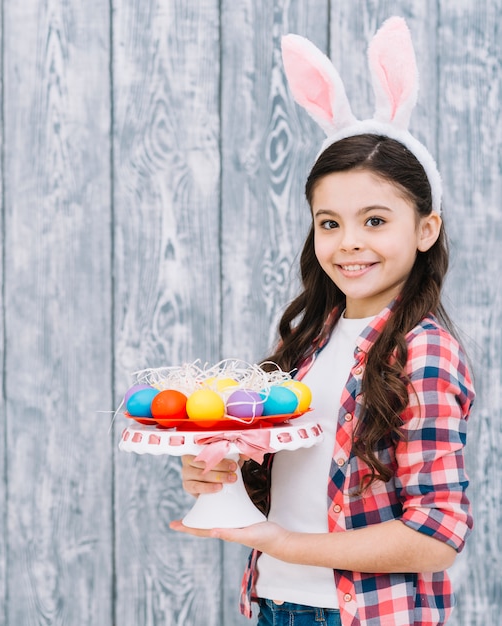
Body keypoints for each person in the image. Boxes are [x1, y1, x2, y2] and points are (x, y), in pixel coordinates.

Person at [170, 17, 475, 626]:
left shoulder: (423, 352)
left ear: (426, 229)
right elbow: (291, 486)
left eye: (376, 220)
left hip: (361, 614)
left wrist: (285, 545)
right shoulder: (306, 345)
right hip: (275, 605)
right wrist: (217, 472)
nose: (348, 243)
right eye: (330, 222)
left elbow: (437, 536)